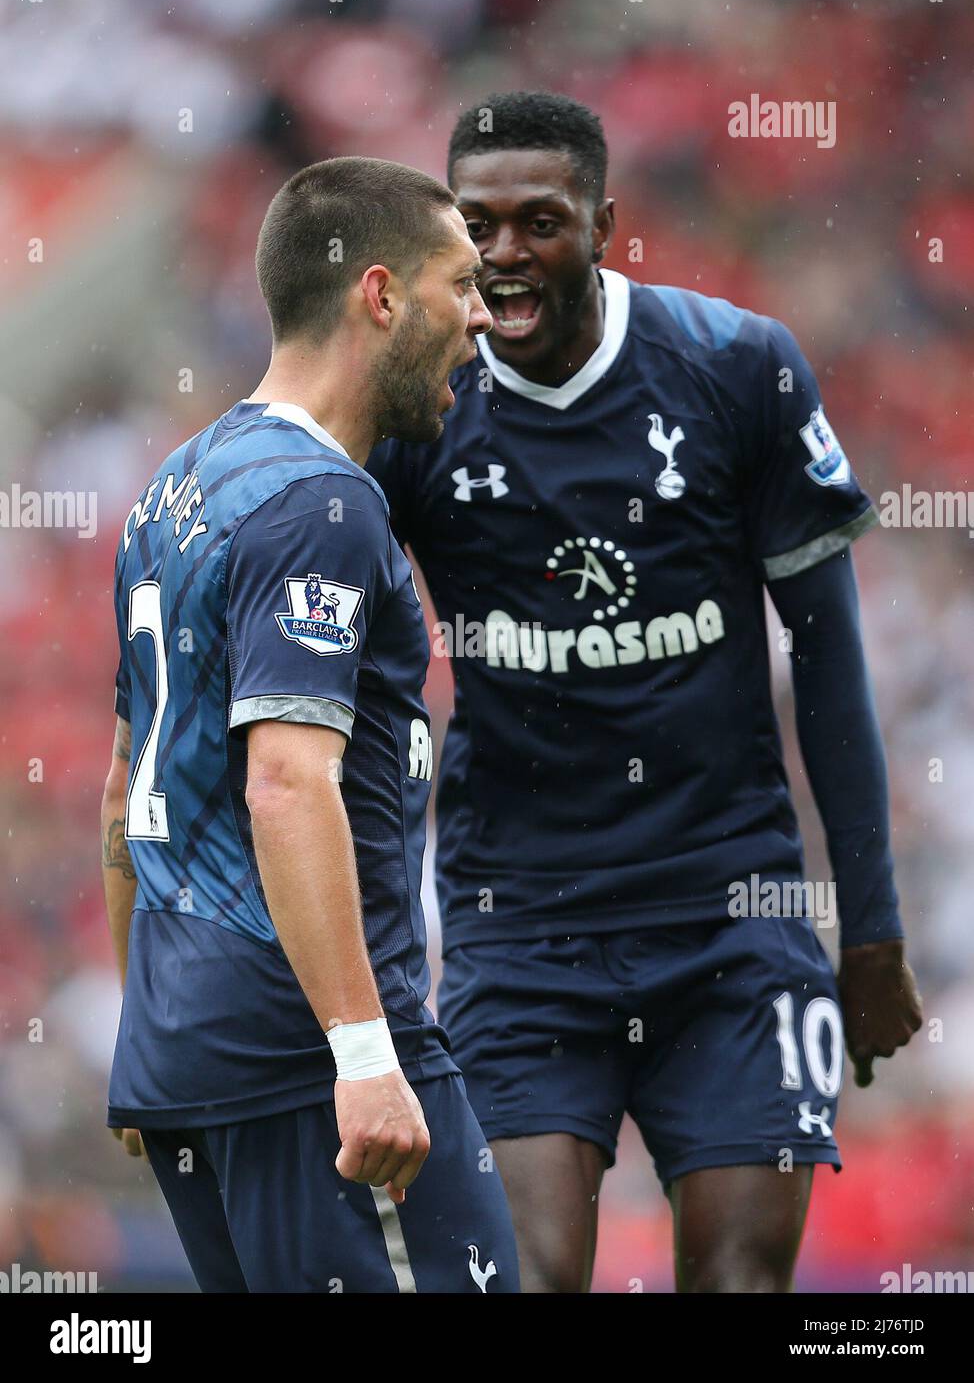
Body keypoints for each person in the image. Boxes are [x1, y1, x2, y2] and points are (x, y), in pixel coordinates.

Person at [366, 93, 923, 1293]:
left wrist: (868, 930)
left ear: (604, 224)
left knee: (737, 1278)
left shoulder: (735, 369)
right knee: (527, 1275)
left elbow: (828, 663)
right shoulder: (417, 407)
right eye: (476, 226)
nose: (504, 252)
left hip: (729, 917)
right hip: (518, 932)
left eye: (539, 221)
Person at [101, 156, 517, 1293]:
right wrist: (365, 1052)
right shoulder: (322, 503)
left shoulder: (174, 488)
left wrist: (149, 1029)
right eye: (460, 284)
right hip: (312, 1051)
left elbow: (125, 784)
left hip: (191, 1050)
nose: (480, 319)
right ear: (379, 295)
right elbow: (285, 783)